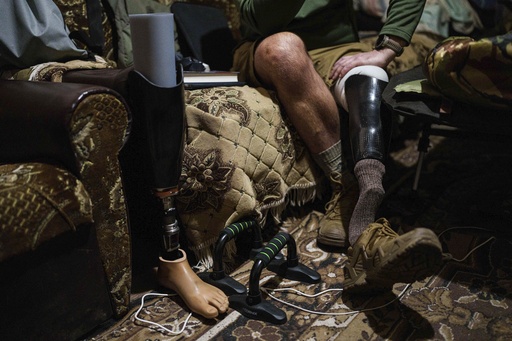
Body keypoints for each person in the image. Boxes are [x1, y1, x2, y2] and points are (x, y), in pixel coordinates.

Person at [232, 0, 443, 293]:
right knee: (284, 48)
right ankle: (347, 185)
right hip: (267, 45)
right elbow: (261, 20)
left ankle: (367, 218)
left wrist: (388, 48)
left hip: (338, 48)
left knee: (371, 76)